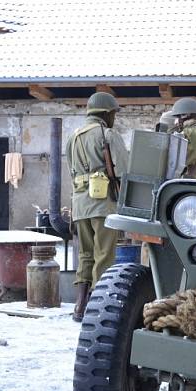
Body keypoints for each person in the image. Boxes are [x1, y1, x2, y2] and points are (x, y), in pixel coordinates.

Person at [66, 91, 129, 322]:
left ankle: (80, 307)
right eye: (114, 113)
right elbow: (124, 169)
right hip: (103, 204)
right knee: (105, 255)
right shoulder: (107, 134)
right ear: (106, 113)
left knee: (85, 254)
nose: (115, 117)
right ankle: (97, 309)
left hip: (80, 203)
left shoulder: (73, 137)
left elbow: (71, 170)